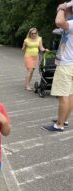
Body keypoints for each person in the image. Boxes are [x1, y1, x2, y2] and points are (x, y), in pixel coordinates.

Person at [42, 3, 73, 132]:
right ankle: (64, 119)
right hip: (71, 64)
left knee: (63, 95)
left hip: (66, 64)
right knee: (70, 94)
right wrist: (67, 9)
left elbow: (59, 21)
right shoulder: (70, 24)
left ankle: (59, 125)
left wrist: (61, 7)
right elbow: (63, 22)